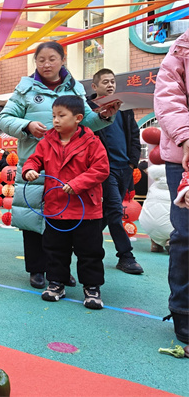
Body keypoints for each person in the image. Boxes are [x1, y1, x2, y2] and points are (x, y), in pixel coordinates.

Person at [0, 41, 117, 289]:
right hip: (34, 162)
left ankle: (59, 270)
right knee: (32, 217)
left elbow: (86, 121)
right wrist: (26, 126)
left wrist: (104, 116)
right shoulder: (25, 88)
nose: (46, 64)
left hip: (68, 166)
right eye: (41, 60)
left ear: (63, 60)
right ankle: (36, 269)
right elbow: (4, 118)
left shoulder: (75, 88)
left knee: (65, 221)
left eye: (52, 59)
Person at [23, 95, 110, 309]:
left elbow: (101, 169)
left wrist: (77, 183)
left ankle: (92, 287)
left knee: (89, 251)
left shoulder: (92, 141)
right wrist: (30, 169)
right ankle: (56, 283)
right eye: (54, 115)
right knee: (54, 248)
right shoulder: (47, 141)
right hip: (56, 207)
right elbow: (34, 159)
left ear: (78, 118)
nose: (56, 120)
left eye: (61, 116)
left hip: (86, 209)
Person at [87, 69, 143, 274]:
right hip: (104, 169)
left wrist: (132, 164)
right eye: (105, 82)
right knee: (115, 210)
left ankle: (83, 242)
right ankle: (126, 256)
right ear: (95, 86)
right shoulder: (89, 110)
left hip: (124, 168)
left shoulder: (124, 107)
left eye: (112, 81)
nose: (110, 85)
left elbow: (134, 135)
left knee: (107, 212)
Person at [153, 28, 189, 344]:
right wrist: (185, 135)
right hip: (184, 155)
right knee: (187, 234)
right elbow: (168, 95)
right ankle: (183, 312)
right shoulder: (183, 47)